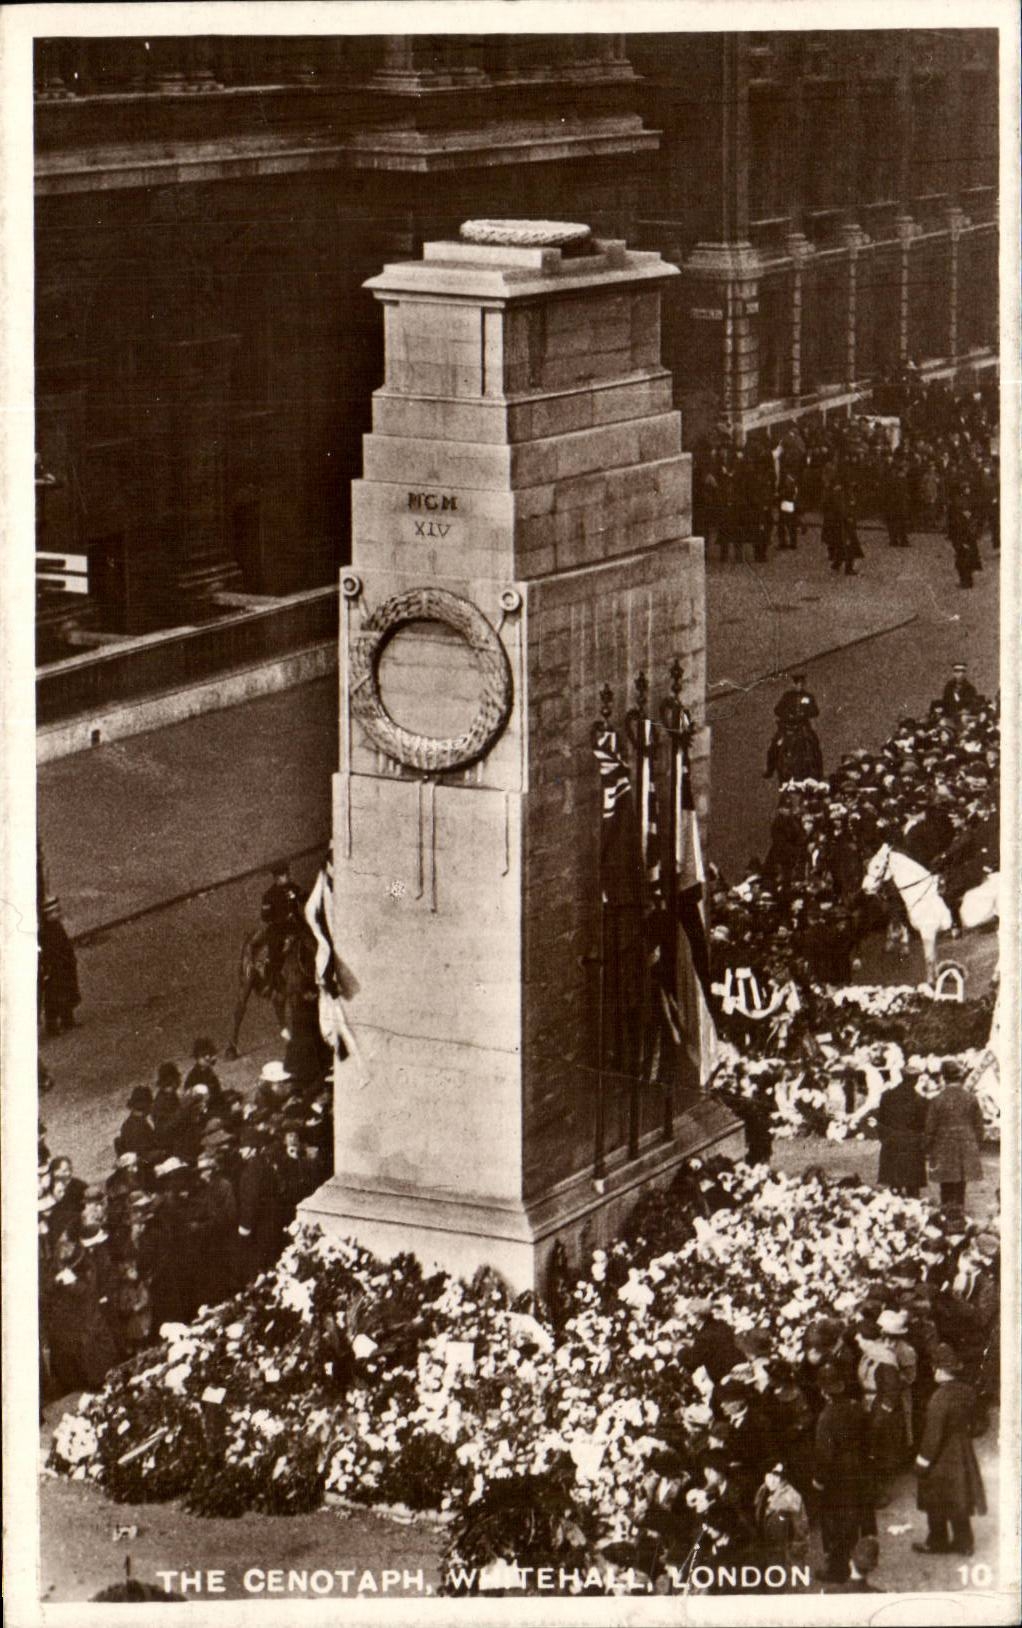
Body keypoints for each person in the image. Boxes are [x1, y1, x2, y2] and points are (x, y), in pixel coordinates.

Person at [912, 1344, 987, 1556]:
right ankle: (965, 1542)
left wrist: (922, 1462)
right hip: (962, 1451)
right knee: (958, 1496)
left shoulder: (939, 1398)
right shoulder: (967, 1391)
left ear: (939, 1370)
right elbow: (980, 1423)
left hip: (942, 1457)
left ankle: (937, 1541)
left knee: (935, 1498)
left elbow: (933, 1436)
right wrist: (964, 1434)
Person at [812, 1363, 876, 1584]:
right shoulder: (856, 1407)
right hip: (859, 1469)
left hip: (838, 1475)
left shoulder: (826, 1417)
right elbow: (869, 1438)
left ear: (824, 1392)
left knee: (837, 1522)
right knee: (857, 1516)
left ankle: (838, 1569)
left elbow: (825, 1454)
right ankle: (858, 1558)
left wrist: (819, 1480)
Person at [924, 1060, 985, 1209]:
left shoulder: (937, 1099)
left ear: (944, 1077)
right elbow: (979, 1126)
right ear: (960, 1077)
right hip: (966, 1144)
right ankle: (959, 1211)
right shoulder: (971, 1098)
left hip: (943, 1145)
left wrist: (927, 1147)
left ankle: (947, 1212)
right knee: (961, 1183)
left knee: (946, 1183)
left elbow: (930, 1128)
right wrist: (976, 1144)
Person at [875, 1071, 928, 1198]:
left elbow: (881, 1120)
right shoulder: (920, 1100)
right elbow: (923, 1125)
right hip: (912, 1144)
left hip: (892, 1141)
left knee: (894, 1185)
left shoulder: (887, 1096)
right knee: (913, 1187)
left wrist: (885, 1138)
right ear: (915, 1080)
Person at [38, 896, 81, 1035]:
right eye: (52, 913)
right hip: (55, 968)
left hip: (65, 965)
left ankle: (68, 1019)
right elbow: (48, 951)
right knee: (54, 996)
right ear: (46, 916)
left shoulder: (57, 927)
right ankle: (52, 1025)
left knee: (67, 991)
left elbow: (65, 944)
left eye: (57, 911)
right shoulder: (45, 932)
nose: (56, 914)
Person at [261, 861, 304, 987]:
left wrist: (301, 897)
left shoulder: (292, 887)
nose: (288, 876)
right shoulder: (269, 896)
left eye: (288, 873)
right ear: (277, 878)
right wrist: (282, 918)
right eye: (285, 875)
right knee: (276, 952)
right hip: (280, 929)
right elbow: (265, 917)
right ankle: (273, 978)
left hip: (296, 925)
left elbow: (303, 897)